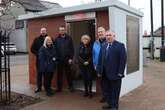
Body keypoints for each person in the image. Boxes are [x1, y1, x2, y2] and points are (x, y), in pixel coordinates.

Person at [97, 30, 126, 110]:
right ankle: (109, 104)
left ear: (114, 36)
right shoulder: (103, 45)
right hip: (104, 74)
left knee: (115, 92)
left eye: (110, 35)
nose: (108, 37)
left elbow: (123, 60)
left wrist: (120, 72)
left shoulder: (120, 45)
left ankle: (114, 107)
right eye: (107, 35)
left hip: (115, 74)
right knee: (106, 91)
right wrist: (99, 71)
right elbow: (100, 59)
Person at [54, 25, 74, 92]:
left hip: (67, 59)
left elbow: (72, 49)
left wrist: (71, 58)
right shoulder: (56, 39)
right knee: (59, 75)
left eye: (63, 30)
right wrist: (56, 59)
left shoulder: (69, 38)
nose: (62, 31)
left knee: (69, 74)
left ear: (65, 30)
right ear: (59, 31)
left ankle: (71, 87)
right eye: (60, 30)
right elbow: (55, 50)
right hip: (59, 60)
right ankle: (59, 88)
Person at [31, 27, 47, 93]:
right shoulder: (36, 39)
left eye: (44, 31)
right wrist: (38, 54)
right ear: (40, 32)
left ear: (46, 31)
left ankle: (47, 87)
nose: (43, 32)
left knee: (46, 75)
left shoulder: (49, 38)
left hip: (47, 61)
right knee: (39, 75)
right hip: (39, 61)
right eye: (42, 31)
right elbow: (32, 49)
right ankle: (39, 87)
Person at [93, 27, 106, 103]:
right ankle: (104, 96)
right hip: (98, 66)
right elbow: (94, 54)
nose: (100, 33)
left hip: (107, 66)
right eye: (99, 32)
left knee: (108, 82)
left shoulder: (108, 41)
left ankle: (109, 97)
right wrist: (94, 64)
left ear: (104, 32)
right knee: (101, 82)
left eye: (101, 32)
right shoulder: (96, 43)